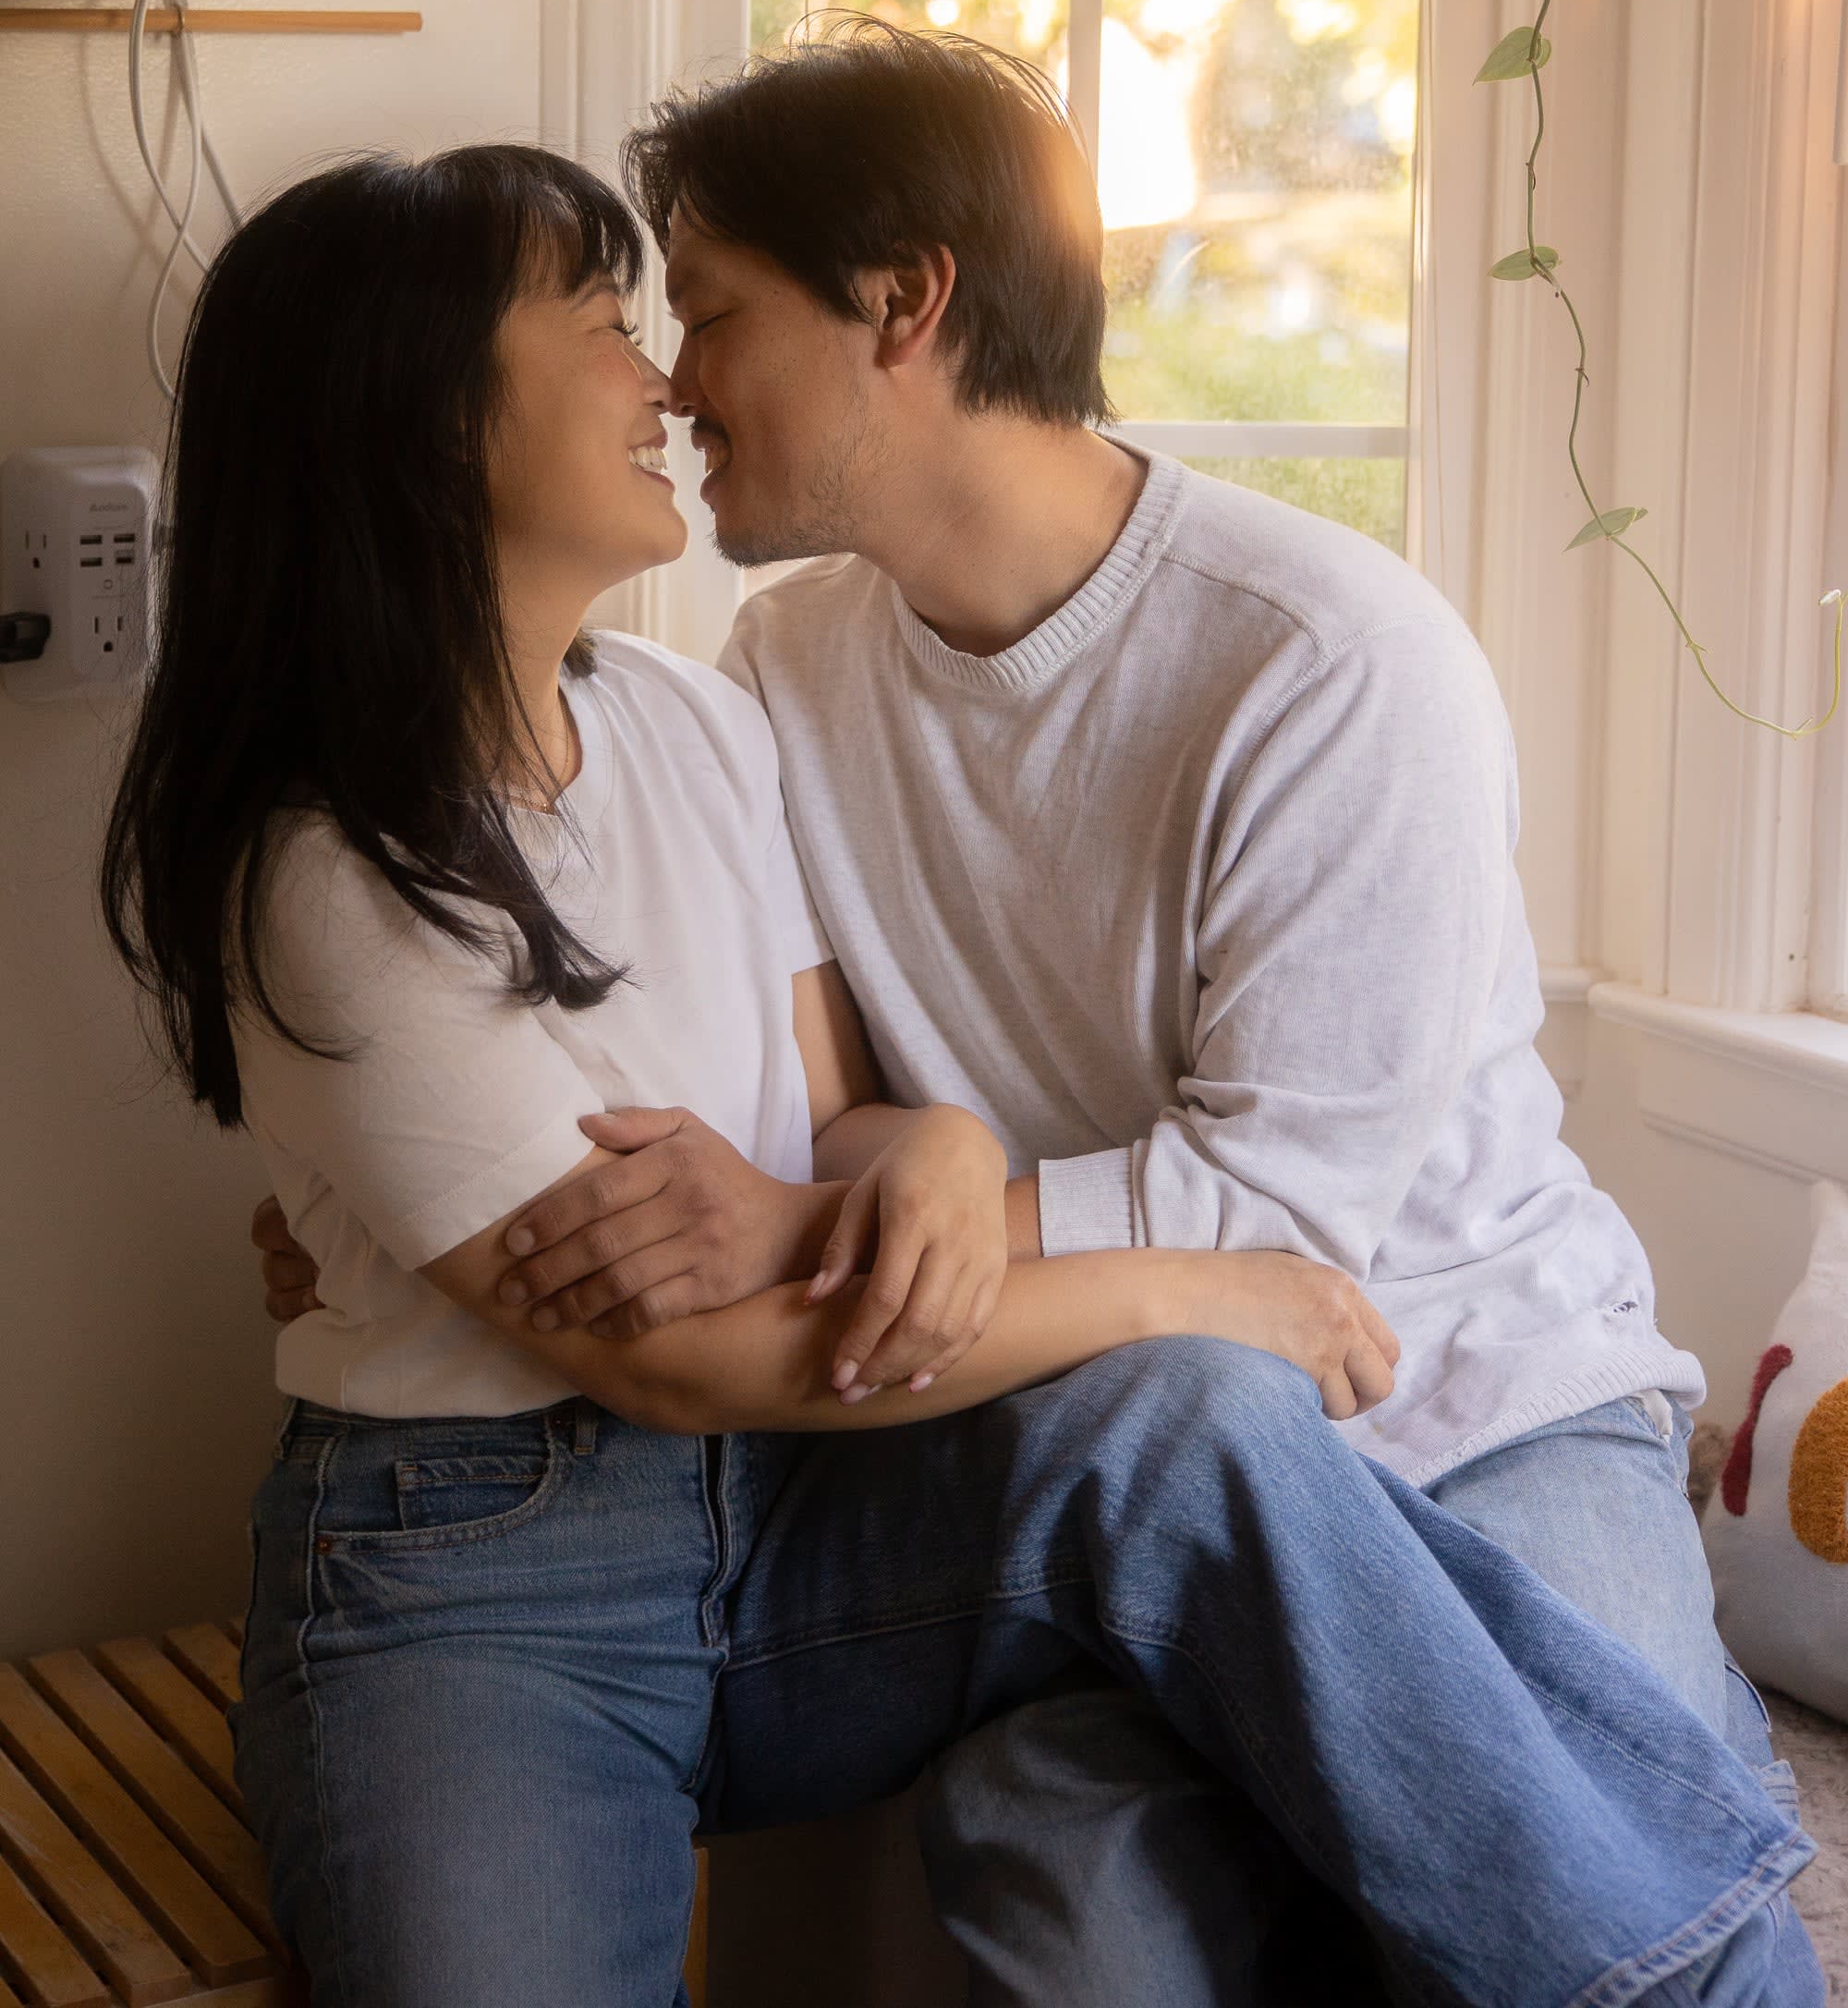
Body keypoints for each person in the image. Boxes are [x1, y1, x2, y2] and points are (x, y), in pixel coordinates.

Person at [210, 144, 1816, 2007]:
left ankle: (1717, 1984)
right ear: (419, 411)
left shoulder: (716, 720)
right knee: (1150, 1564)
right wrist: (1177, 1282)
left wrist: (946, 1149)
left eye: (698, 315)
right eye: (613, 324)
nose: (664, 376)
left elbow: (841, 1126)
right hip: (500, 1571)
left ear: (908, 306)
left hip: (1207, 1421)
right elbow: (656, 1341)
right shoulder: (424, 824)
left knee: (1192, 1425)